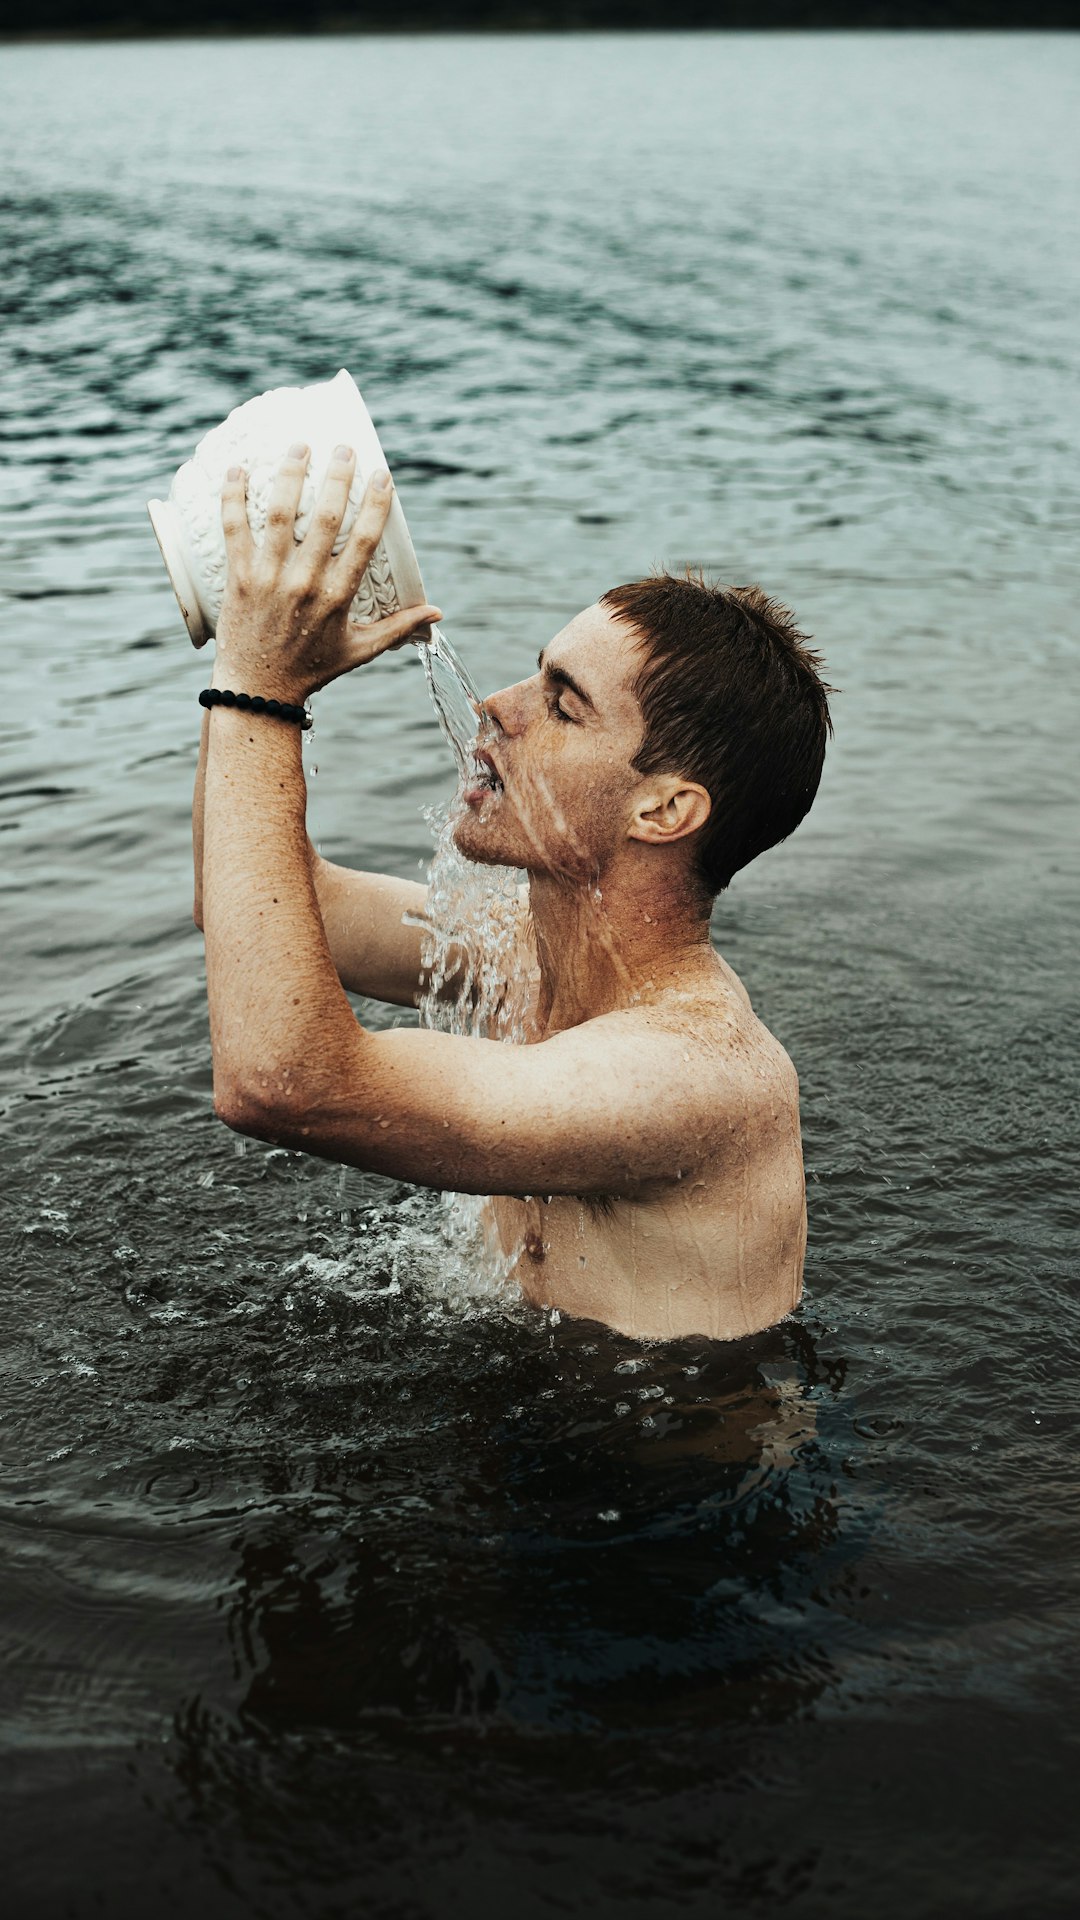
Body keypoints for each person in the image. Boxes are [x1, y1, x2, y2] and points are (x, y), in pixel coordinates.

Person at [192, 443, 834, 1343]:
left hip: (681, 1470)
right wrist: (248, 638)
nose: (497, 703)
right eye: (535, 673)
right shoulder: (512, 956)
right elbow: (254, 903)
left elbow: (282, 1083)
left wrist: (258, 692)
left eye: (564, 705)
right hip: (554, 1426)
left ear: (663, 809)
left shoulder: (698, 1075)